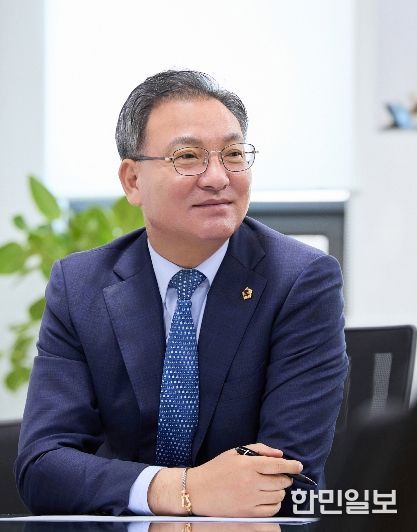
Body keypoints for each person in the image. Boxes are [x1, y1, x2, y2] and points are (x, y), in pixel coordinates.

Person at [15, 70, 347, 518]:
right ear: (133, 180)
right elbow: (42, 467)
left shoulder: (300, 280)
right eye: (188, 156)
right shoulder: (81, 285)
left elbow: (287, 477)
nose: (217, 177)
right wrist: (179, 490)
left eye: (233, 154)